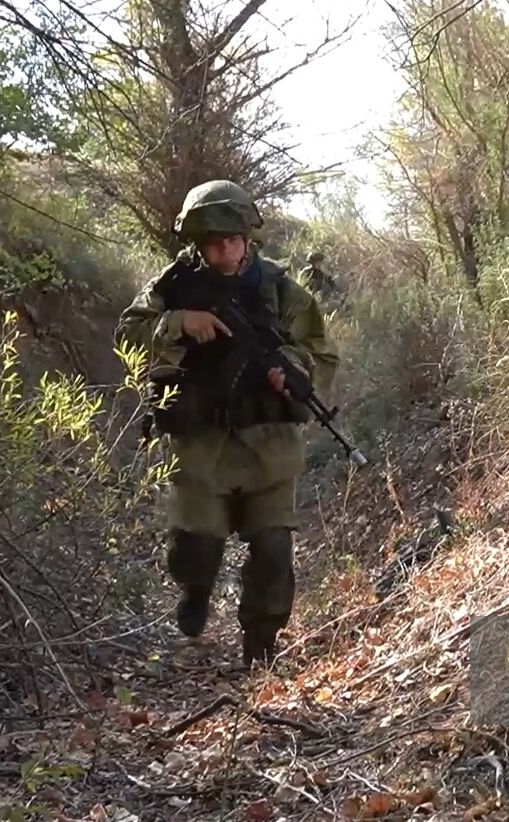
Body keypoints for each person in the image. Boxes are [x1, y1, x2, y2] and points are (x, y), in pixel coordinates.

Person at [114, 180, 338, 667]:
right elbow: (127, 335)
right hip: (199, 445)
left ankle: (261, 646)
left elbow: (322, 353)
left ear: (247, 237)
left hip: (269, 443)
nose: (224, 249)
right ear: (197, 243)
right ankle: (195, 592)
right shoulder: (173, 286)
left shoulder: (281, 291)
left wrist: (293, 367)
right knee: (197, 549)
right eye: (212, 242)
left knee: (274, 548)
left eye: (232, 239)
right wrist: (178, 323)